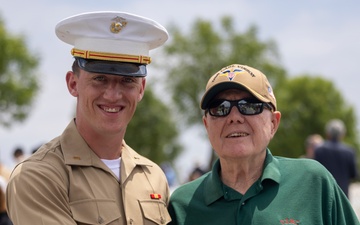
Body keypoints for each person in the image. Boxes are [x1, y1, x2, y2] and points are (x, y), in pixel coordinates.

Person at [6, 11, 171, 225]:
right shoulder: (38, 176)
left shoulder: (153, 177)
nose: (113, 95)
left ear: (141, 89)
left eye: (127, 81)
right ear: (73, 84)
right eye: (100, 79)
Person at [168, 64, 360, 224]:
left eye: (249, 106)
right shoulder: (182, 205)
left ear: (273, 123)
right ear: (206, 126)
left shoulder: (314, 183)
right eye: (220, 108)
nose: (234, 117)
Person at [314, 119, 358, 197]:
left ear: (327, 133)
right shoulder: (349, 152)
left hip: (324, 193)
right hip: (342, 194)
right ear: (342, 134)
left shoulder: (319, 150)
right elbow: (353, 175)